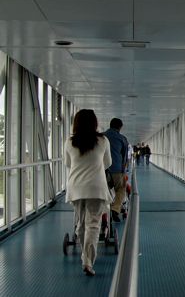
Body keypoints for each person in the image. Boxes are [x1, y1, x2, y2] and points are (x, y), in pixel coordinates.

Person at [64, 109, 112, 276]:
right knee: (93, 224)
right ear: (95, 123)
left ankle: (84, 255)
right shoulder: (103, 141)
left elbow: (68, 163)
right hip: (96, 187)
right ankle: (88, 261)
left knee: (80, 223)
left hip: (76, 187)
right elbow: (107, 163)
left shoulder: (69, 142)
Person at [104, 118, 129, 223]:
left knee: (104, 191)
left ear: (110, 125)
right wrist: (124, 170)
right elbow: (124, 157)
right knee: (121, 189)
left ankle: (104, 212)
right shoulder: (122, 138)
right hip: (117, 170)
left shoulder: (101, 137)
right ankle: (115, 209)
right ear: (120, 127)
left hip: (103, 171)